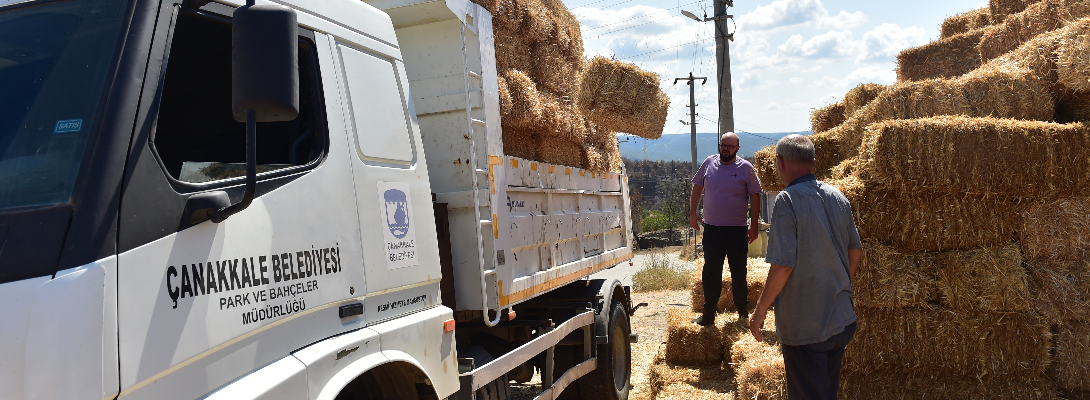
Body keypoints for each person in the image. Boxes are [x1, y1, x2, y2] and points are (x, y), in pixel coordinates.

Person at [749, 134, 863, 400]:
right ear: (812, 162)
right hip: (841, 318)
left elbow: (783, 266)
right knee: (826, 392)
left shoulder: (787, 201)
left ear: (780, 162)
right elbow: (855, 252)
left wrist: (760, 310)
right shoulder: (838, 196)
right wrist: (839, 284)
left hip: (807, 325)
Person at [689, 132, 762, 326]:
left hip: (737, 231)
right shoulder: (709, 162)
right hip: (712, 230)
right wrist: (693, 212)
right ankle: (708, 315)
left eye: (730, 146)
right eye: (723, 145)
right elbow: (697, 186)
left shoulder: (746, 168)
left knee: (739, 273)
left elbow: (755, 196)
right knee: (711, 272)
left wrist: (753, 225)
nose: (725, 149)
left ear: (738, 148)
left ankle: (743, 314)